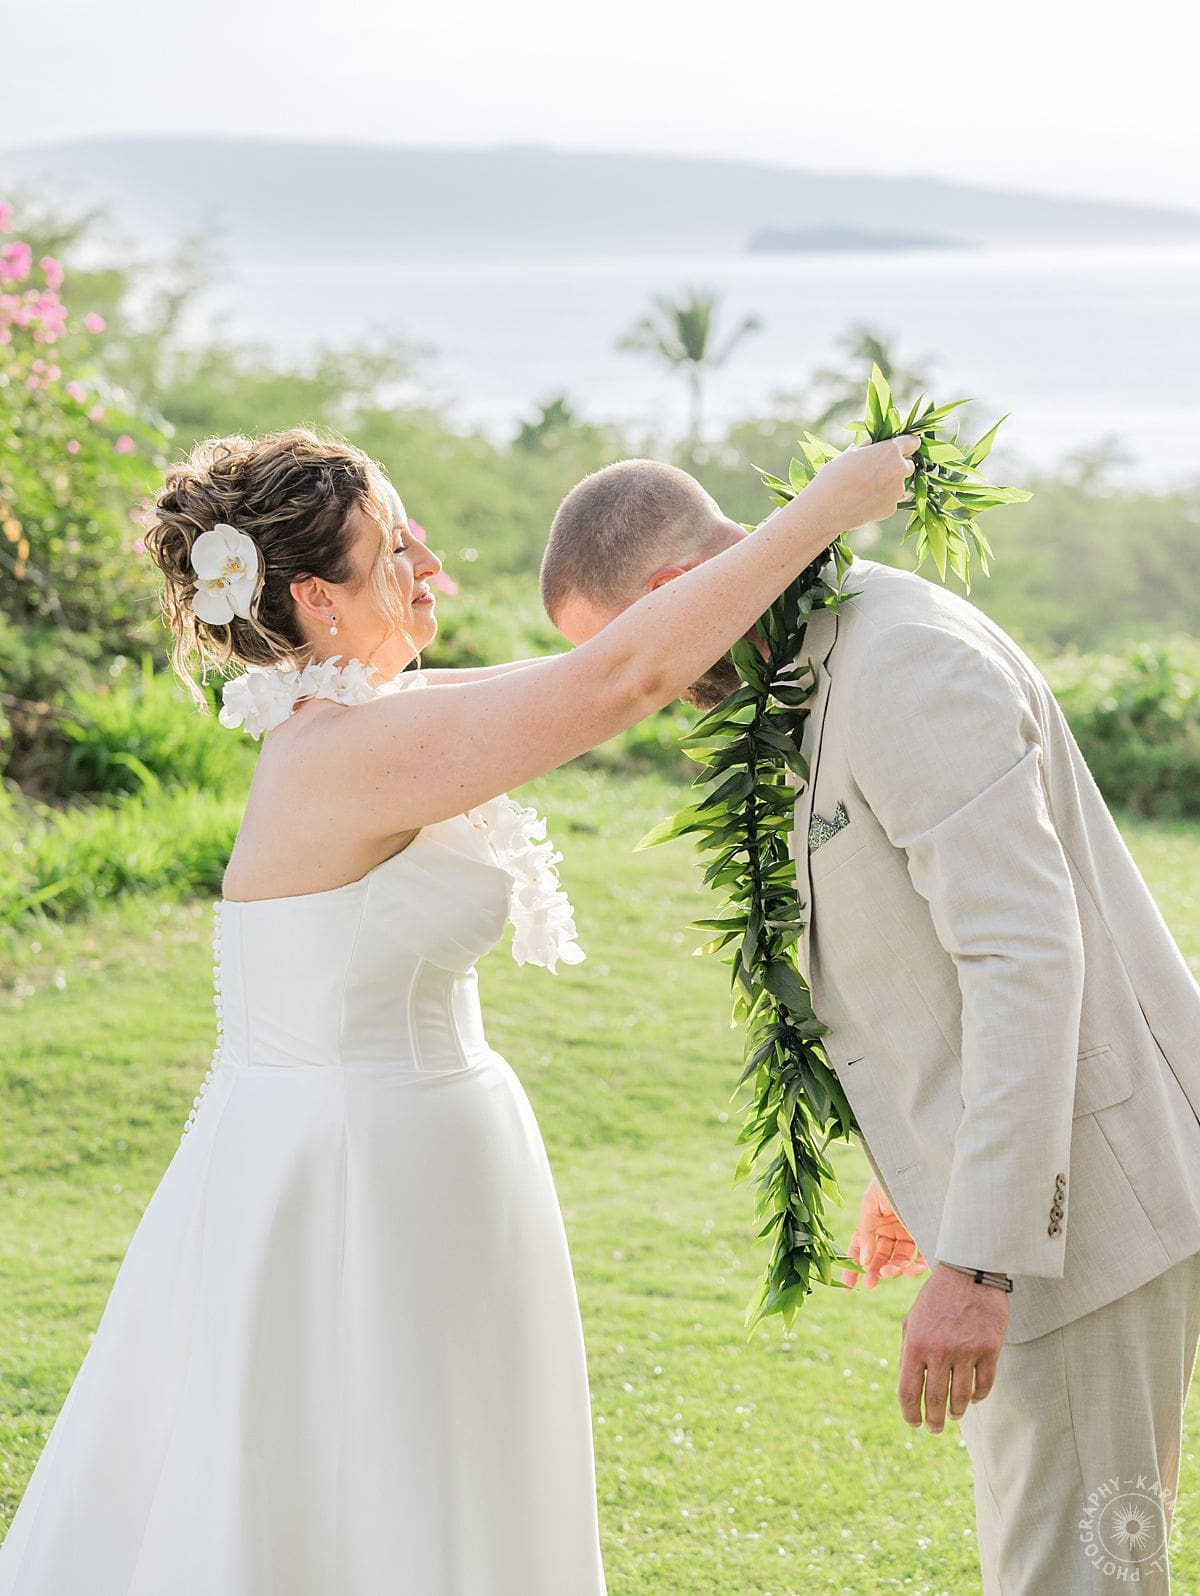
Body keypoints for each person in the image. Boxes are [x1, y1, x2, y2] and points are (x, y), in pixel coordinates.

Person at [0, 424, 915, 1596]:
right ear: (320, 600)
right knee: (359, 1490)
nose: (428, 563)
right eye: (394, 548)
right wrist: (828, 507)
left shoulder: (371, 718)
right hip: (347, 1181)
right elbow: (616, 680)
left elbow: (606, 665)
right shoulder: (343, 754)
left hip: (415, 1154)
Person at [540, 456, 1200, 1595]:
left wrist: (980, 1261)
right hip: (1025, 1195)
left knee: (1082, 1578)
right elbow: (914, 959)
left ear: (672, 592)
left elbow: (1025, 960)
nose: (646, 688)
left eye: (630, 653)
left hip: (1086, 1213)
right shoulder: (812, 658)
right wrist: (918, 1164)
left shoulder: (902, 663)